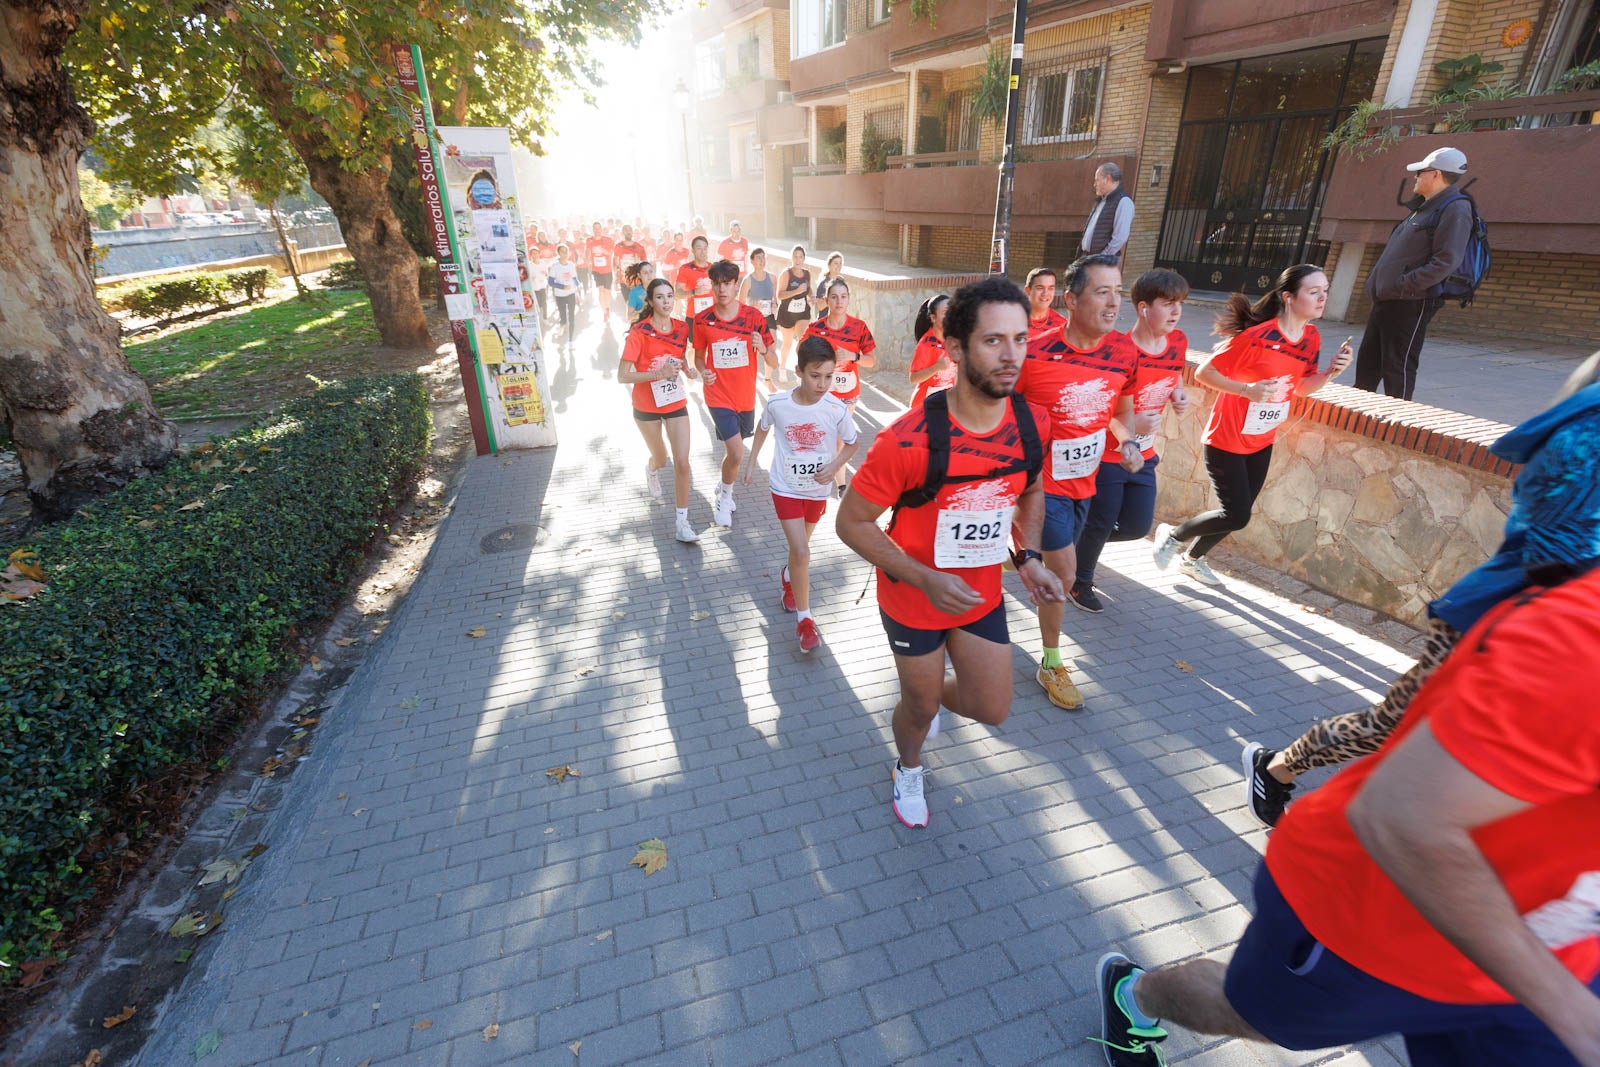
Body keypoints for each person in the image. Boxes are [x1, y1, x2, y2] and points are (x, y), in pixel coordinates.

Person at [1095, 562, 1600, 1067]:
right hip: (1373, 916)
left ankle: (1275, 770)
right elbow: (1402, 818)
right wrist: (1577, 1016)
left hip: (1555, 965)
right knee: (1247, 1013)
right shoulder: (1583, 642)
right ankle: (1135, 995)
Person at [1241, 350, 1600, 828]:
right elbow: (1556, 559)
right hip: (1499, 627)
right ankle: (1276, 768)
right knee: (1394, 725)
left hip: (1555, 641)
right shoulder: (1586, 433)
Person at [836, 277, 1064, 828]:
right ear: (955, 347)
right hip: (914, 597)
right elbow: (851, 522)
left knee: (994, 707)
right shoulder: (907, 439)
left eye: (1020, 339)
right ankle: (907, 767)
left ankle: (927, 689)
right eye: (993, 341)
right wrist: (923, 577)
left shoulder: (1033, 424)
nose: (1011, 356)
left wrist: (1028, 556)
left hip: (979, 595)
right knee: (918, 709)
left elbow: (1031, 491)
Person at [1153, 264, 1353, 585]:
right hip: (1226, 437)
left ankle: (1192, 559)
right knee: (1237, 514)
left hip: (1261, 438)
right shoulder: (1257, 337)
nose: (1322, 298)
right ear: (1289, 297)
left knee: (1237, 513)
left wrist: (1330, 372)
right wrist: (1248, 390)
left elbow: (1300, 387)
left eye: (1325, 291)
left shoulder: (1311, 338)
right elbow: (1205, 372)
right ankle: (1174, 535)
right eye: (1313, 291)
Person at [1013, 253, 1142, 710]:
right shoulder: (1035, 352)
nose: (1113, 303)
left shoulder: (1124, 352)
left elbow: (1122, 408)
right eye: (1101, 292)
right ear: (1071, 300)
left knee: (1063, 565)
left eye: (1118, 292)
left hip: (1085, 479)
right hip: (1041, 488)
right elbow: (1002, 409)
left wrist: (1127, 442)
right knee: (1064, 573)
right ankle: (1051, 661)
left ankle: (1020, 557)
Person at [1071, 269, 1192, 613]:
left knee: (1137, 526)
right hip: (1110, 454)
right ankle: (1079, 582)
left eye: (1179, 304)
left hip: (1145, 452)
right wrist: (1131, 422)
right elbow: (1098, 406)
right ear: (1143, 308)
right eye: (1167, 304)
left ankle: (1073, 546)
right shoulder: (1117, 351)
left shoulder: (1179, 341)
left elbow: (1175, 376)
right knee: (1101, 520)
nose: (1176, 312)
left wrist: (1178, 396)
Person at [742, 335, 860, 653]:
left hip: (817, 490)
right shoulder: (778, 404)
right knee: (803, 553)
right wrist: (752, 461)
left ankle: (787, 575)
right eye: (814, 375)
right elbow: (764, 426)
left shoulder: (836, 408)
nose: (822, 384)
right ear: (799, 371)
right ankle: (805, 621)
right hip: (784, 487)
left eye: (829, 377)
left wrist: (834, 467)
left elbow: (852, 443)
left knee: (800, 550)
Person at [1354, 146, 1473, 401]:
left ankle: (1396, 429)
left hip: (1410, 302)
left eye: (1421, 171)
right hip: (1388, 300)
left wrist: (1403, 285)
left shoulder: (1455, 208)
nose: (1416, 176)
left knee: (1397, 369)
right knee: (1367, 366)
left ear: (1436, 174)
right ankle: (1356, 423)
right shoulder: (1424, 207)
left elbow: (1446, 261)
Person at [618, 278, 703, 544]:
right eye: (660, 297)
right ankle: (652, 468)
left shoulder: (680, 327)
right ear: (651, 301)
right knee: (662, 459)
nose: (666, 302)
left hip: (675, 401)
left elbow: (680, 356)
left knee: (683, 462)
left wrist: (688, 370)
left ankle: (682, 522)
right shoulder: (639, 332)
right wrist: (659, 373)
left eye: (669, 296)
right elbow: (622, 376)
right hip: (646, 406)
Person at [693, 259, 773, 528]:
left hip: (744, 397)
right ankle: (725, 497)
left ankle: (722, 485)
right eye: (717, 284)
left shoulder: (753, 318)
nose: (722, 289)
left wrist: (762, 347)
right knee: (737, 453)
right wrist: (703, 371)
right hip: (717, 395)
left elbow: (773, 361)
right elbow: (698, 358)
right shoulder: (703, 320)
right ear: (712, 286)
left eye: (727, 283)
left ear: (736, 285)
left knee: (734, 454)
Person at [803, 278, 877, 497]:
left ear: (849, 299)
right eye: (834, 297)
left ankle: (841, 485)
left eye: (843, 297)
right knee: (822, 437)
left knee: (838, 439)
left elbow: (871, 360)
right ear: (826, 300)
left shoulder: (858, 327)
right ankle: (824, 478)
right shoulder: (815, 328)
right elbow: (802, 357)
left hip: (847, 393)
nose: (839, 301)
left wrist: (853, 356)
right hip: (820, 393)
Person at [739, 248, 780, 391]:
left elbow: (775, 299)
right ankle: (752, 380)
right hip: (753, 319)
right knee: (754, 350)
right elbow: (740, 304)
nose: (762, 261)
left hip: (768, 317)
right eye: (758, 258)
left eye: (763, 258)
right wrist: (752, 306)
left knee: (772, 348)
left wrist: (775, 304)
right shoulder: (747, 280)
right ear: (752, 261)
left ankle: (768, 379)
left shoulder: (772, 278)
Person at [774, 246, 814, 381]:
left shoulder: (807, 273)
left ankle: (800, 369)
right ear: (791, 258)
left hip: (802, 312)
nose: (798, 259)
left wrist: (812, 296)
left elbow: (808, 289)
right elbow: (779, 295)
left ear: (804, 259)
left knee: (803, 342)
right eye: (795, 256)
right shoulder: (786, 274)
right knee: (787, 344)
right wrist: (796, 291)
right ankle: (783, 368)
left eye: (801, 257)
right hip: (787, 314)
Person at [1080, 161, 1133, 261]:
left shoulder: (1124, 202)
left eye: (1097, 180)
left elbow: (1120, 238)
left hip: (1102, 262)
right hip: (1087, 258)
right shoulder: (1101, 200)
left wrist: (1102, 258)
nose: (1094, 184)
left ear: (1107, 179)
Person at [907, 294, 953, 408]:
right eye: (945, 313)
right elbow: (913, 378)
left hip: (946, 403)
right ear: (933, 318)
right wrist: (937, 367)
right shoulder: (926, 345)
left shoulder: (954, 340)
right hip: (924, 407)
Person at [1024, 267, 1067, 356]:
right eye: (1040, 288)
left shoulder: (1062, 325)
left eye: (1051, 288)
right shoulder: (1012, 319)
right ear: (1028, 290)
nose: (1045, 293)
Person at [674, 235, 715, 329]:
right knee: (694, 344)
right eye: (699, 248)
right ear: (693, 250)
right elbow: (677, 294)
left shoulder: (714, 268)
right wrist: (694, 292)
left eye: (705, 248)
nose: (703, 251)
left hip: (712, 316)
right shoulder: (685, 269)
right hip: (694, 317)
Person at [585, 221, 617, 323]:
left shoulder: (608, 240)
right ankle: (604, 310)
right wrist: (588, 260)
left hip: (607, 269)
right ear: (593, 229)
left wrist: (604, 251)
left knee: (607, 292)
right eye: (595, 228)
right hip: (596, 270)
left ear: (601, 229)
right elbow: (587, 254)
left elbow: (613, 252)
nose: (597, 230)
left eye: (599, 228)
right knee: (601, 290)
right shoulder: (589, 240)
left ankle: (607, 307)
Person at [547, 243, 579, 342]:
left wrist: (577, 290)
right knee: (563, 317)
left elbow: (574, 278)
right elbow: (550, 282)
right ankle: (562, 326)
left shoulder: (571, 265)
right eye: (562, 252)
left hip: (571, 294)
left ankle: (571, 340)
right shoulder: (555, 266)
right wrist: (562, 286)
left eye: (566, 252)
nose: (565, 254)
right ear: (558, 253)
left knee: (572, 317)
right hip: (560, 295)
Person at [814, 252, 844, 319]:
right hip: (824, 323)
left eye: (840, 263)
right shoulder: (823, 283)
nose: (838, 266)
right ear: (829, 265)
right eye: (836, 263)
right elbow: (820, 306)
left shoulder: (841, 281)